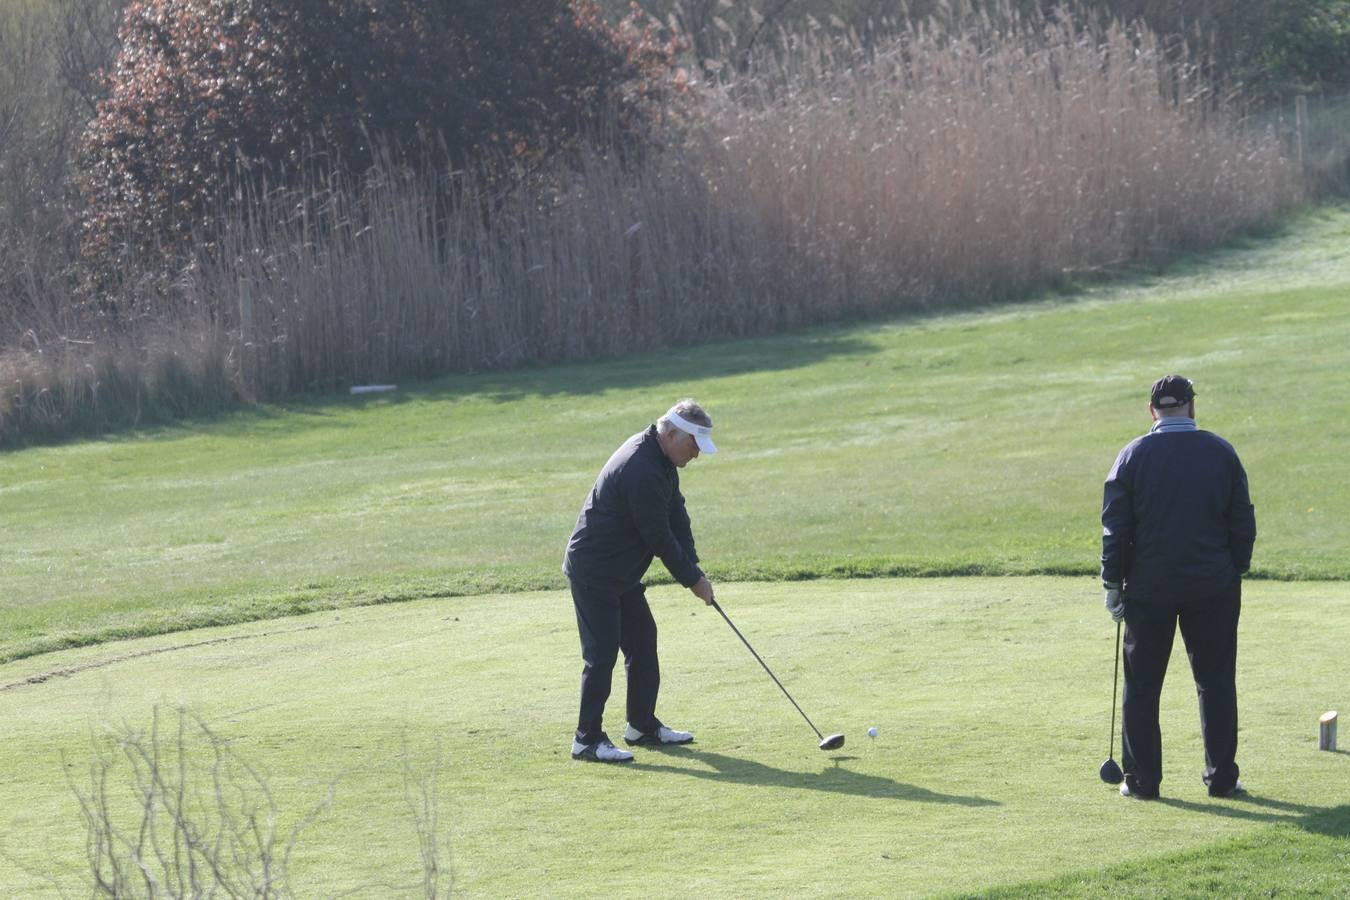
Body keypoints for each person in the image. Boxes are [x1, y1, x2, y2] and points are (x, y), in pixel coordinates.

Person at [1101, 375, 1257, 800]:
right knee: (1216, 681)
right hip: (1213, 587)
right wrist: (1233, 570)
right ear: (1191, 407)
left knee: (1143, 685)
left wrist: (1112, 584)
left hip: (1149, 590)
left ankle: (1142, 782)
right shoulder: (1220, 452)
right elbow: (1242, 521)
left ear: (1152, 411)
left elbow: (1116, 530)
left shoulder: (1132, 456)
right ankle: (1222, 779)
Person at [563, 399, 719, 763]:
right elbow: (659, 537)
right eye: (693, 445)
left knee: (642, 641)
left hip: (622, 571)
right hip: (595, 570)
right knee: (601, 655)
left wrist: (694, 566)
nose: (696, 454)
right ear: (671, 433)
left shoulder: (663, 460)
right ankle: (586, 739)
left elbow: (676, 515)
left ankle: (641, 725)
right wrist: (693, 581)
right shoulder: (642, 468)